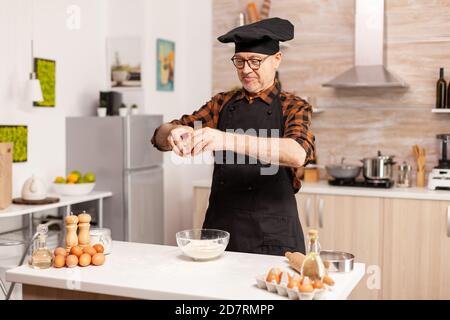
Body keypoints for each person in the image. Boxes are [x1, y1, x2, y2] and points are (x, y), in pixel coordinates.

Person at [151, 17, 315, 255]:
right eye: (239, 61)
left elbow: (297, 153)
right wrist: (173, 133)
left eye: (255, 61)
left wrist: (225, 139)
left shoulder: (293, 106)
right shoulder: (222, 103)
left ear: (277, 60)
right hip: (221, 232)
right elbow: (159, 136)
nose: (246, 70)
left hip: (274, 236)